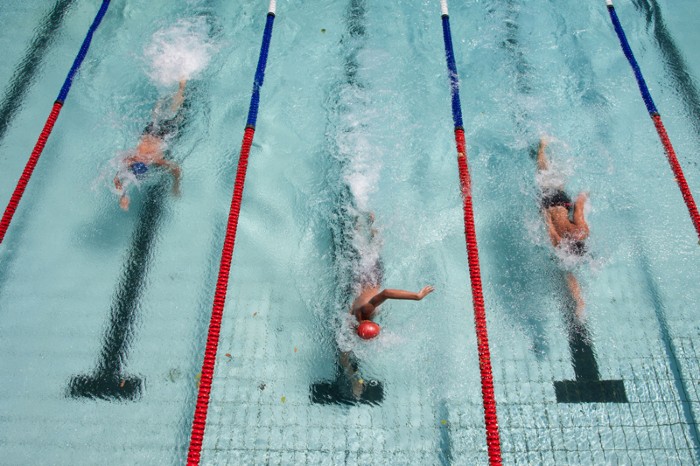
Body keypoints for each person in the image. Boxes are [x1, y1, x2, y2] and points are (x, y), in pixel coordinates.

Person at [340, 211, 434, 398]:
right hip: (360, 281)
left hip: (368, 275)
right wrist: (353, 380)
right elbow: (343, 357)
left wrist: (417, 296)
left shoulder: (366, 310)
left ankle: (367, 223)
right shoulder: (355, 320)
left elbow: (386, 293)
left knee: (371, 250)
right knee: (366, 248)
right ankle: (367, 224)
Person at [536, 136, 589, 318]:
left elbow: (579, 205)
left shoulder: (582, 232)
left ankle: (545, 148)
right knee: (543, 175)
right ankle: (541, 148)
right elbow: (548, 226)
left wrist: (585, 194)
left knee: (555, 179)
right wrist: (544, 213)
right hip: (548, 204)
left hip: (562, 202)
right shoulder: (558, 243)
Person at [113, 80, 186, 211]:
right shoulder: (132, 158)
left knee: (174, 112)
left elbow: (176, 169)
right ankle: (167, 91)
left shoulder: (155, 160)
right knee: (156, 115)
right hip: (148, 131)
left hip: (163, 134)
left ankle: (181, 85)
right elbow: (117, 179)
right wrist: (122, 196)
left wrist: (176, 186)